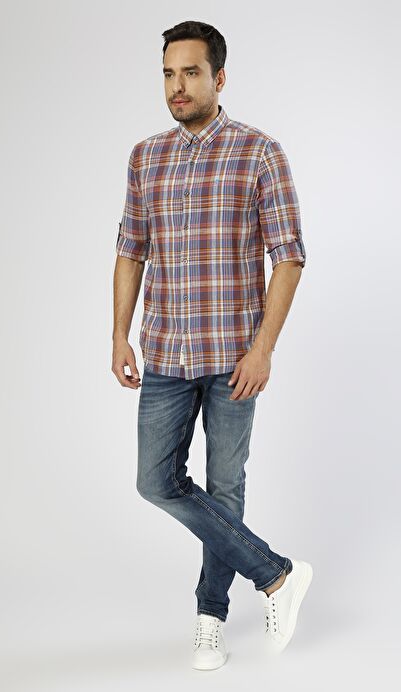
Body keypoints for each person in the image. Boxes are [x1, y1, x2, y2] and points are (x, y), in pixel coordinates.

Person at [112, 20, 313, 670]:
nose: (178, 86)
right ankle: (276, 573)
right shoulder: (145, 156)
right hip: (165, 354)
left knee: (226, 488)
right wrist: (118, 333)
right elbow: (131, 250)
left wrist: (263, 349)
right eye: (169, 74)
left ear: (219, 78)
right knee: (155, 481)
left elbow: (288, 257)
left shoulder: (259, 152)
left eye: (191, 73)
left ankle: (210, 617)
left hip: (233, 358)